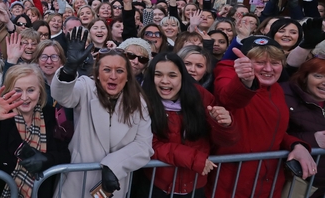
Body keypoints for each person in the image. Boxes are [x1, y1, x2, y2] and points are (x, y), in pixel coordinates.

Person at [51, 28, 153, 198]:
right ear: (97, 74)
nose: (113, 76)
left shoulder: (139, 103)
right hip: (77, 183)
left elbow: (144, 146)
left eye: (120, 71)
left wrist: (113, 165)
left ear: (127, 76)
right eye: (107, 70)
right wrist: (68, 70)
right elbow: (63, 96)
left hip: (112, 187)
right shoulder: (85, 87)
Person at [211, 35, 317, 198]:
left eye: (275, 63)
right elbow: (229, 98)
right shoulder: (228, 74)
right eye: (259, 62)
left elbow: (272, 131)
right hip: (233, 185)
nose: (268, 69)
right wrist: (245, 82)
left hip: (268, 183)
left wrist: (296, 145)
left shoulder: (277, 90)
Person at [138, 53, 236, 197]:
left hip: (195, 184)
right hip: (157, 184)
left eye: (172, 75)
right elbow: (148, 144)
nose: (165, 81)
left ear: (182, 77)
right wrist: (194, 158)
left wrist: (225, 125)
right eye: (158, 75)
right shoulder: (143, 101)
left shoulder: (200, 96)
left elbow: (225, 141)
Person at [0, 64, 71, 198]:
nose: (24, 97)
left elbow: (65, 155)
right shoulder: (1, 115)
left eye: (31, 90)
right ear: (9, 91)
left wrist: (47, 160)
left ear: (40, 91)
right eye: (18, 91)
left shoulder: (50, 115)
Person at [283, 57, 325, 195]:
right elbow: (273, 135)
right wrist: (313, 140)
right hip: (299, 182)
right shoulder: (285, 95)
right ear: (305, 76)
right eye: (318, 76)